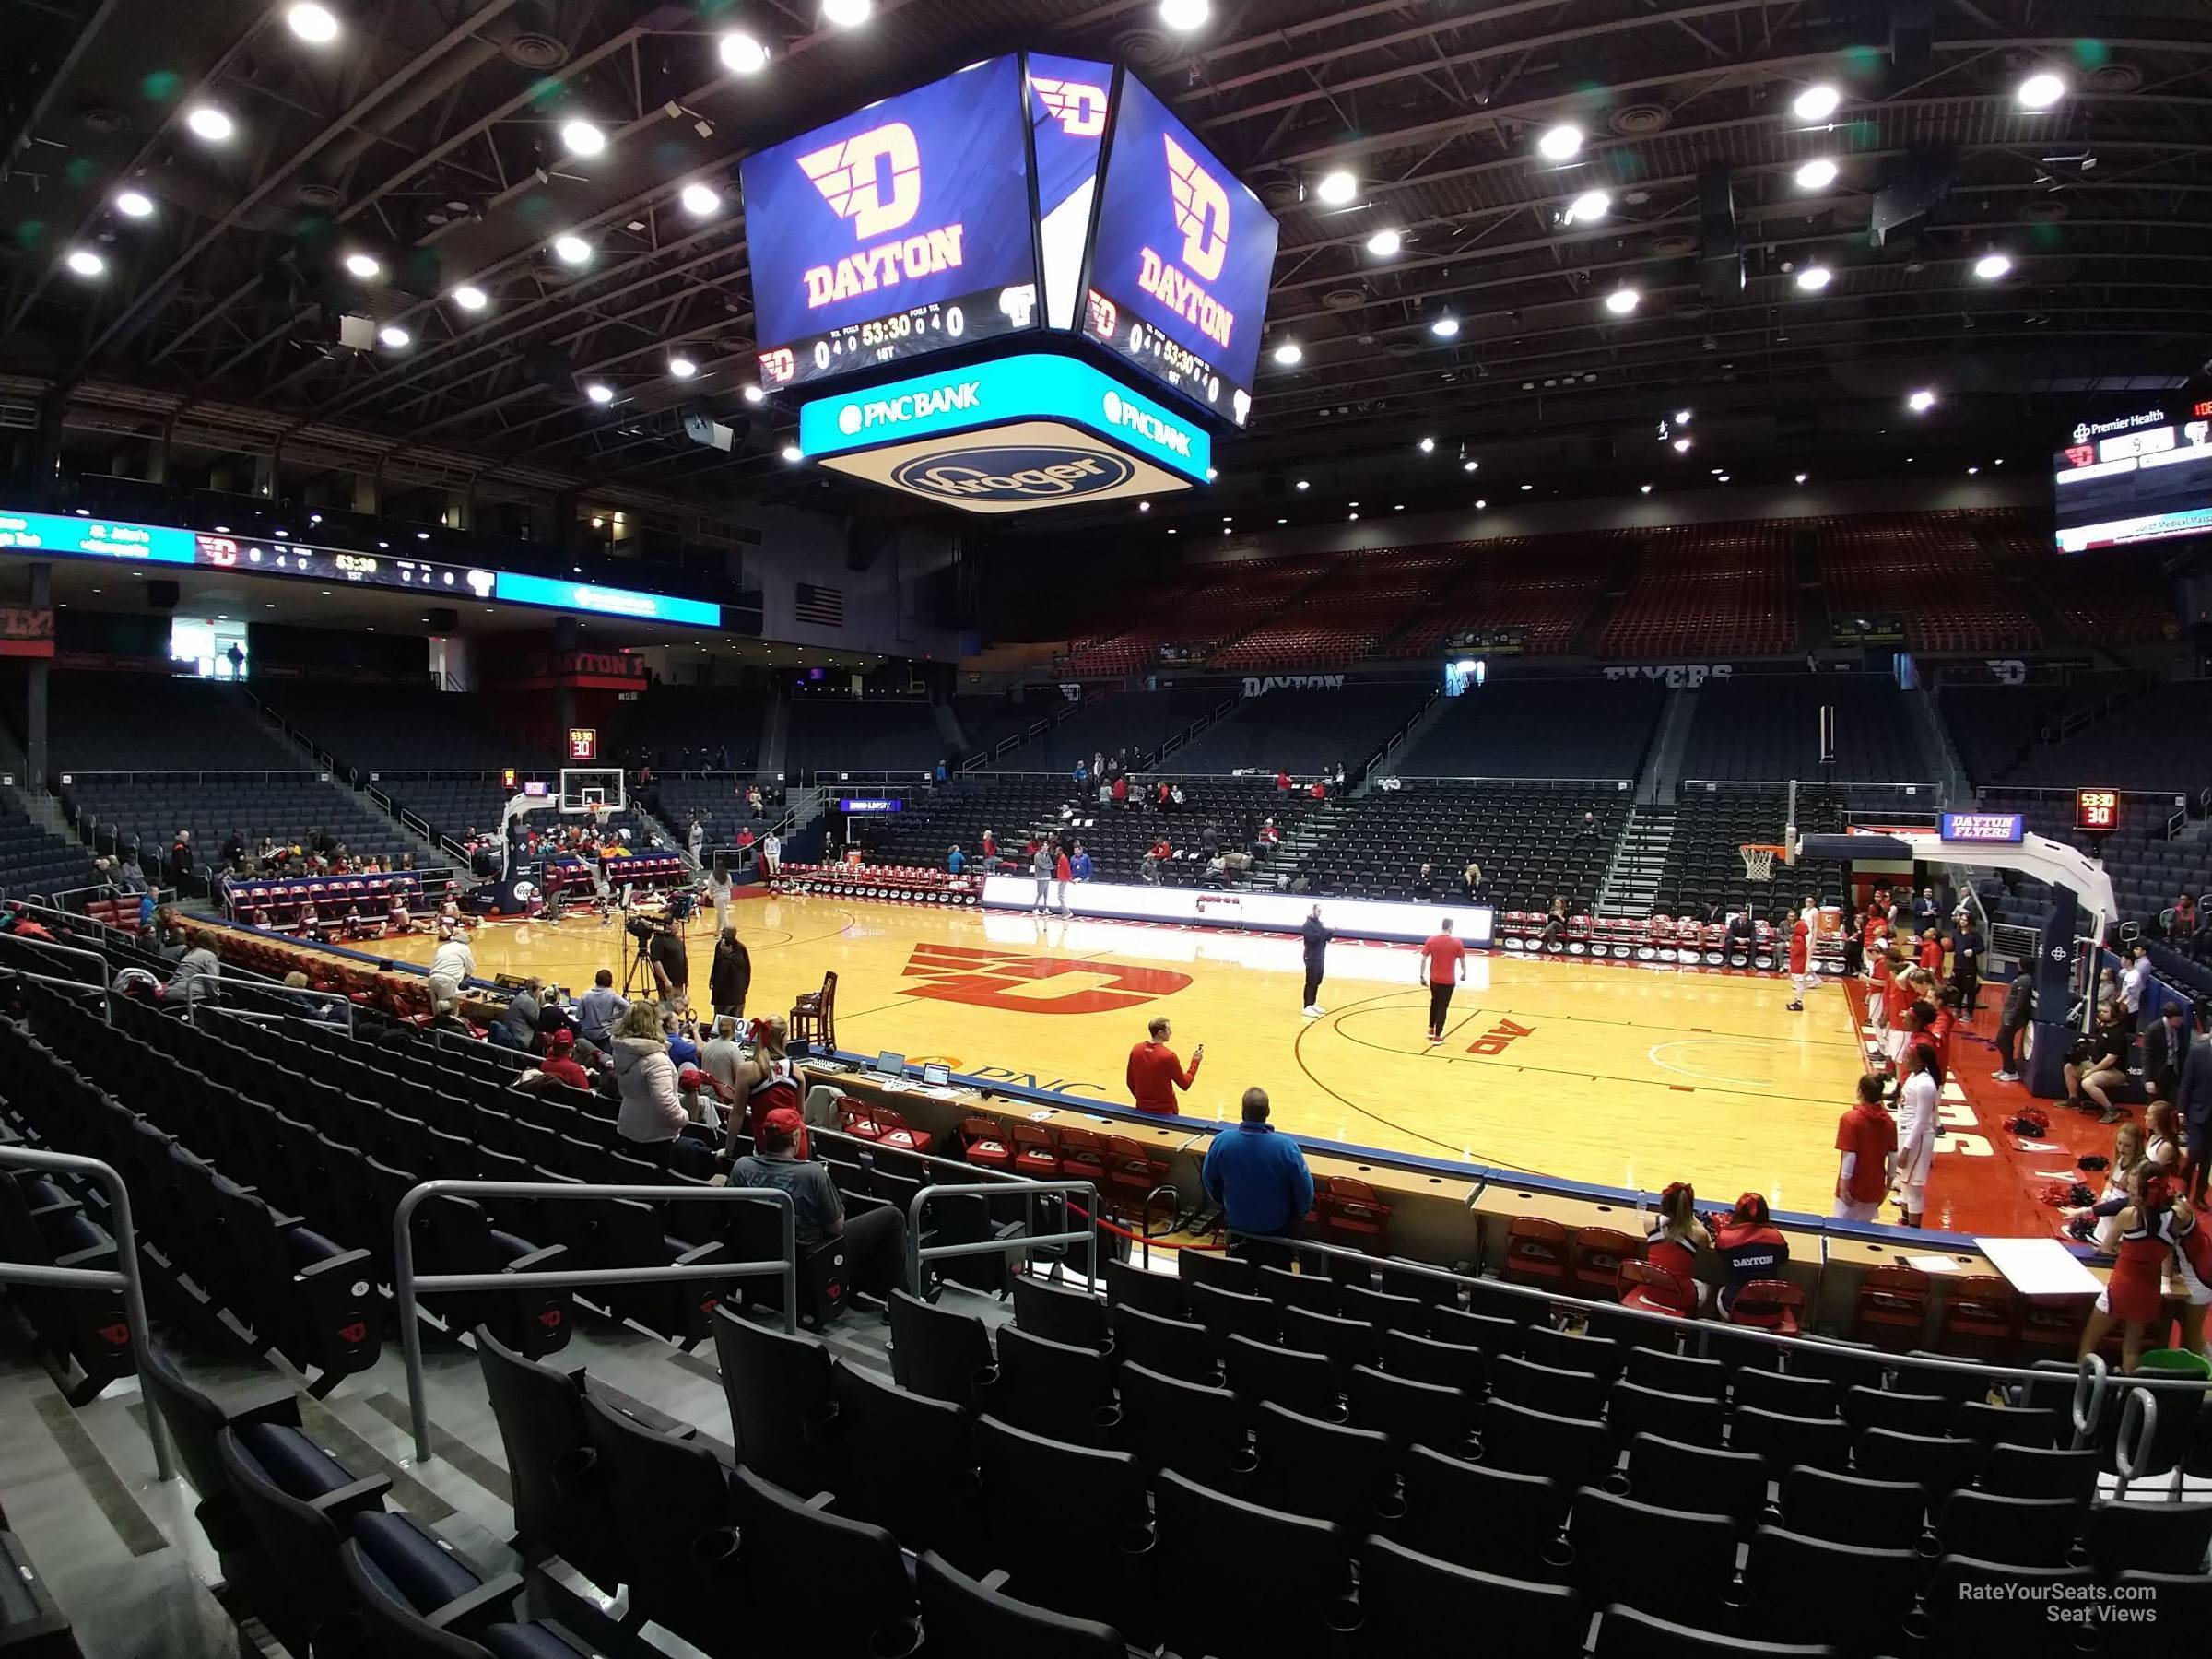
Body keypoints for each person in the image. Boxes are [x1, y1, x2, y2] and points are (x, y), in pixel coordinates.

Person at [731, 1108, 910, 1307]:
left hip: (759, 1250)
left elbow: (734, 1213)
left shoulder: (742, 1166)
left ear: (764, 1135)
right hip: (813, 1254)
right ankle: (901, 1300)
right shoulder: (813, 1173)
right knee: (892, 1216)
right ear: (796, 1138)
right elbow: (836, 1228)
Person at [2077, 1168, 2183, 1373]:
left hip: (2121, 1288)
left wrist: (2122, 1249)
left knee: (2089, 1342)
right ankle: (2127, 1395)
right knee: (2131, 1349)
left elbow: (2106, 1248)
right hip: (2148, 1291)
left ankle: (2078, 1386)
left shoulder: (2129, 1215)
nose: (2129, 1191)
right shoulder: (2175, 1220)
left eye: (2133, 1188)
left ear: (2143, 1191)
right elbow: (2166, 1249)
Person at [1200, 1088, 1314, 1269]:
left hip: (1237, 1229)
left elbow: (1209, 1182)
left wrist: (1227, 1205)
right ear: (1268, 1112)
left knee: (1238, 1280)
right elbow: (1305, 1194)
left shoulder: (1221, 1142)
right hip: (1277, 1233)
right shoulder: (1287, 1148)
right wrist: (1296, 1216)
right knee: (1276, 1283)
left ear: (1243, 1112)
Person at [609, 1002, 684, 1162]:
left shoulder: (621, 1050)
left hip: (629, 1124)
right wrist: (683, 1117)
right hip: (655, 1135)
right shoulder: (656, 1060)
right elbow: (665, 1102)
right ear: (650, 1024)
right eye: (658, 1021)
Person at [1712, 1194, 1789, 1319]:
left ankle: (1719, 1335)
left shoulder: (1725, 1238)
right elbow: (1784, 1258)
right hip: (1768, 1308)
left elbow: (1720, 1254)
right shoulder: (1776, 1237)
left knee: (1718, 1289)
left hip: (1735, 1306)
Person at [1833, 1075, 1898, 1222]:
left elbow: (1850, 1157)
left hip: (1853, 1186)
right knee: (1864, 1233)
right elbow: (1893, 1156)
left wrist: (1843, 1188)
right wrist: (1888, 1185)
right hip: (1875, 1187)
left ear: (1860, 1092)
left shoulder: (1850, 1119)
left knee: (1841, 1232)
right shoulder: (1889, 1122)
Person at [735, 1016, 806, 1145]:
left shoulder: (747, 1070)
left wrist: (728, 1150)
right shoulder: (796, 1070)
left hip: (766, 1142)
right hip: (795, 1143)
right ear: (783, 1039)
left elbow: (737, 1114)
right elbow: (801, 1113)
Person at [1892, 1041, 1942, 1227]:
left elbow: (1922, 1122)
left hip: (1917, 1139)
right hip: (1906, 1132)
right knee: (1905, 1184)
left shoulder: (1926, 1085)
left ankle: (1914, 1232)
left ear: (1920, 1061)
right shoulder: (1914, 1076)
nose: (1904, 1059)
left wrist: (1906, 1149)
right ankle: (1905, 1223)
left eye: (1908, 1056)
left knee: (1913, 1189)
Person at [1644, 1182, 1711, 1305]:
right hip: (1681, 1298)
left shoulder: (1649, 1224)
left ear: (1663, 1204)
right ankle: (1690, 1321)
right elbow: (1707, 1241)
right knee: (1707, 1287)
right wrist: (1690, 1216)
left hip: (1652, 1293)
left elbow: (1665, 1221)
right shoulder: (1698, 1234)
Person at [2066, 1001, 2132, 1124]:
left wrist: (2091, 1071)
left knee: (2087, 1083)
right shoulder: (2104, 1028)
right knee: (2069, 1067)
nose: (2101, 1013)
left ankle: (2111, 1111)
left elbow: (2110, 1060)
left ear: (2115, 1014)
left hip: (2115, 1071)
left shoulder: (2118, 1033)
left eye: (2105, 1012)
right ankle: (2073, 1100)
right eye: (2102, 1011)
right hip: (2098, 1065)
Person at [1126, 1016, 1203, 1114]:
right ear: (1160, 1033)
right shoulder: (1168, 1056)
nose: (1171, 1032)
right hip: (1165, 1112)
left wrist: (1144, 1101)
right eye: (1168, 1030)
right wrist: (1195, 1062)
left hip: (1141, 1108)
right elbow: (1185, 1084)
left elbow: (1130, 1082)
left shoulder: (1136, 1049)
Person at [2175, 1021, 2212, 1207]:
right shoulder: (2198, 1052)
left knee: (2208, 1158)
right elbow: (2186, 1083)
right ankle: (2186, 1181)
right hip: (2197, 1112)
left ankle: (2199, 1195)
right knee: (2195, 1151)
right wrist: (2181, 1110)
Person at [1419, 917, 1466, 1043]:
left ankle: (1431, 1028)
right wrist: (1464, 973)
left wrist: (1421, 976)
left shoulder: (1431, 940)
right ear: (1450, 927)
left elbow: (1423, 959)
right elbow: (1462, 960)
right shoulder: (1457, 942)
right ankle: (1437, 1036)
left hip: (1434, 979)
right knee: (1443, 1006)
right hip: (1448, 980)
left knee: (1434, 1002)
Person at [2143, 999, 2192, 1101]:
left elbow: (2182, 1050)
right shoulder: (2153, 1030)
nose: (2180, 1021)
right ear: (2169, 1018)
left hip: (2174, 1070)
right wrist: (2148, 1079)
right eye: (2178, 1019)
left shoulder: (2180, 1028)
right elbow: (2146, 1056)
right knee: (2156, 1105)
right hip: (2158, 1071)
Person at [1992, 971, 2035, 1083]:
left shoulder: (2025, 980)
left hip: (2013, 1017)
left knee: (2001, 1040)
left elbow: (2021, 1002)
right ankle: (2007, 1068)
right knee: (2005, 1041)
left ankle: (2011, 1071)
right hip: (2010, 1016)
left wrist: (2012, 1017)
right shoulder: (2022, 979)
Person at [575, 968, 629, 1053]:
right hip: (605, 1035)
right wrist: (616, 1016)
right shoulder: (612, 995)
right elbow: (628, 1007)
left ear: (596, 980)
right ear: (610, 982)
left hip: (588, 1035)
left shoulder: (585, 995)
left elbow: (578, 1016)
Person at [700, 1014, 746, 1104]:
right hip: (723, 1095)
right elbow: (742, 1074)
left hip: (704, 1090)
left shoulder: (706, 1045)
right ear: (734, 1030)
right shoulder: (732, 1050)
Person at [709, 926, 750, 1021]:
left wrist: (746, 987)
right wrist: (712, 978)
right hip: (729, 996)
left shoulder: (740, 949)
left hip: (733, 996)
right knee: (724, 1022)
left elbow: (747, 969)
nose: (723, 936)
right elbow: (715, 964)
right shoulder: (719, 946)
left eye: (725, 934)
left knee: (729, 1022)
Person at [647, 917, 688, 1008]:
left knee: (679, 1006)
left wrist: (686, 978)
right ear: (668, 925)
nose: (678, 926)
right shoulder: (658, 941)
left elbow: (684, 958)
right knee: (666, 1008)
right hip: (669, 982)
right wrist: (665, 980)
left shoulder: (678, 939)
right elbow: (656, 962)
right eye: (676, 923)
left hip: (679, 982)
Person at [494, 978, 542, 1052]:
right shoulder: (528, 1001)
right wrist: (538, 1002)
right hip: (520, 1039)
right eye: (540, 989)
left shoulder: (520, 996)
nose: (541, 992)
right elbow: (537, 1021)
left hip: (512, 1033)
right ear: (534, 989)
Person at [1300, 904, 1331, 1018]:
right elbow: (1313, 939)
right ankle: (1306, 1006)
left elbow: (1326, 937)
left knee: (1317, 980)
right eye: (1318, 911)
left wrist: (1331, 931)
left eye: (1320, 911)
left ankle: (1313, 1003)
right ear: (1313, 911)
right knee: (1310, 981)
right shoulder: (1307, 925)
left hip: (1320, 956)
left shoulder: (1320, 925)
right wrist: (1323, 931)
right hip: (1311, 957)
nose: (1320, 913)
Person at [538, 1027, 593, 1091]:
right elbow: (586, 1096)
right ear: (572, 1047)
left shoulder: (544, 1064)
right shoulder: (574, 1069)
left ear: (553, 1048)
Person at [1950, 915, 1984, 1016]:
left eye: (1965, 920)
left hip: (1969, 967)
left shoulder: (1975, 935)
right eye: (1961, 919)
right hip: (1957, 965)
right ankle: (1957, 1008)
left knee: (1970, 991)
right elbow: (1953, 946)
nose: (1962, 921)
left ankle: (1969, 1013)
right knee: (1957, 990)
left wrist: (1973, 951)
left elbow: (1982, 948)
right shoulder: (1956, 934)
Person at [2119, 944, 2149, 1035]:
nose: (2121, 961)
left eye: (2122, 959)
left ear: (2128, 961)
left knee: (2128, 1033)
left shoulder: (2134, 975)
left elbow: (2127, 992)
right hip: (2125, 1007)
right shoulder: (2129, 973)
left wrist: (2116, 1002)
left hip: (2130, 1008)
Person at [1785, 915, 1811, 1013]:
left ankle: (1799, 1003)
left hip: (1798, 964)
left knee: (1799, 983)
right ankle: (1797, 1001)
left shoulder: (1799, 939)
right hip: (1798, 963)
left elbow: (1796, 952)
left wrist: (1790, 944)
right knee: (1798, 983)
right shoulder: (1800, 938)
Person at [1030, 840, 1054, 914]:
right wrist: (1047, 866)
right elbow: (1041, 865)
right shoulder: (1037, 855)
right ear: (1042, 847)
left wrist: (1047, 866)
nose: (1046, 847)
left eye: (1047, 846)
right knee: (1040, 892)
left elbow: (1051, 865)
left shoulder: (1047, 855)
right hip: (1040, 876)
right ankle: (1035, 907)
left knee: (1046, 893)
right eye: (1045, 846)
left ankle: (1045, 908)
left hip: (1047, 876)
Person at [1053, 841, 1073, 916]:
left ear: (1060, 851)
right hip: (1061, 879)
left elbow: (1067, 870)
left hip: (1063, 880)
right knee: (1060, 896)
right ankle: (1064, 910)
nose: (1056, 852)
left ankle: (1067, 912)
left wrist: (1070, 879)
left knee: (1060, 896)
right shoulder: (1061, 859)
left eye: (1057, 851)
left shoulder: (1064, 859)